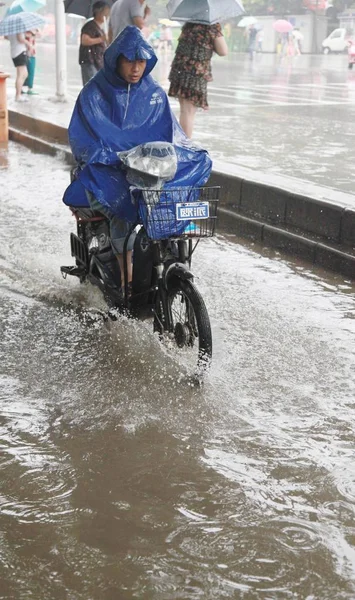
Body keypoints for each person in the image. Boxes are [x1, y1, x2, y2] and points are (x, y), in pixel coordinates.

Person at [63, 26, 212, 292]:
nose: (135, 68)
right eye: (129, 61)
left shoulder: (154, 94)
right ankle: (126, 280)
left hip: (145, 170)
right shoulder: (93, 94)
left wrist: (189, 152)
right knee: (122, 210)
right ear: (116, 60)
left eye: (141, 61)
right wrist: (113, 156)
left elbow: (172, 136)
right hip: (108, 171)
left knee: (172, 195)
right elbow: (83, 142)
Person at [168, 23, 228, 139]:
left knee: (185, 110)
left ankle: (182, 141)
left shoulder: (188, 24)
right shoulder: (212, 26)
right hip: (195, 72)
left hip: (180, 69)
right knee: (189, 112)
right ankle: (185, 145)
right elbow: (223, 51)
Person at [79, 1, 111, 86]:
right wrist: (101, 39)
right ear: (99, 12)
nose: (108, 15)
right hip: (90, 61)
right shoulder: (90, 26)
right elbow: (85, 41)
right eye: (106, 12)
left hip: (98, 62)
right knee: (91, 86)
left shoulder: (100, 28)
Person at [6, 32, 31, 101]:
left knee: (24, 74)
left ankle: (18, 94)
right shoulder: (18, 27)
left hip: (15, 52)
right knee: (21, 74)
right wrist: (29, 44)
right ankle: (18, 96)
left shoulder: (11, 28)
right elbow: (20, 39)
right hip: (19, 52)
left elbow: (6, 37)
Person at [23, 30, 38, 95]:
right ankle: (29, 89)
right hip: (28, 55)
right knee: (27, 73)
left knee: (29, 72)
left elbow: (38, 33)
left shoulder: (32, 36)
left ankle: (27, 88)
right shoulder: (25, 36)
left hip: (31, 55)